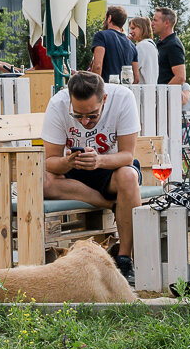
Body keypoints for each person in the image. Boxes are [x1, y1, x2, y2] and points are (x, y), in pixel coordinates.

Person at [42, 70, 144, 279]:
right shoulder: (57, 104)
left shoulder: (123, 98)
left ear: (104, 98)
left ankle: (124, 258)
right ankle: (111, 204)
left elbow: (126, 155)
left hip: (111, 168)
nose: (85, 121)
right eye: (77, 115)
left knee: (128, 176)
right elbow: (50, 161)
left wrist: (99, 160)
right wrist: (67, 161)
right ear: (70, 100)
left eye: (92, 115)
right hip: (74, 170)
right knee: (43, 182)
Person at [89, 5, 136, 82]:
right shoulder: (132, 45)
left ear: (109, 18)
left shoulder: (101, 35)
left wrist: (94, 88)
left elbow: (97, 66)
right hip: (124, 91)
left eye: (105, 18)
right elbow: (136, 78)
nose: (104, 21)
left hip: (106, 89)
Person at [149, 5, 188, 86]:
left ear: (166, 23)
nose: (152, 23)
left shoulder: (173, 45)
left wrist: (162, 93)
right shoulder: (161, 43)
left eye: (155, 20)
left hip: (166, 97)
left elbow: (180, 77)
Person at [128, 17, 160, 86]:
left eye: (133, 28)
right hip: (150, 89)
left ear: (142, 28)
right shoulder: (151, 45)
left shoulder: (142, 46)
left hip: (141, 90)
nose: (130, 32)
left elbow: (130, 70)